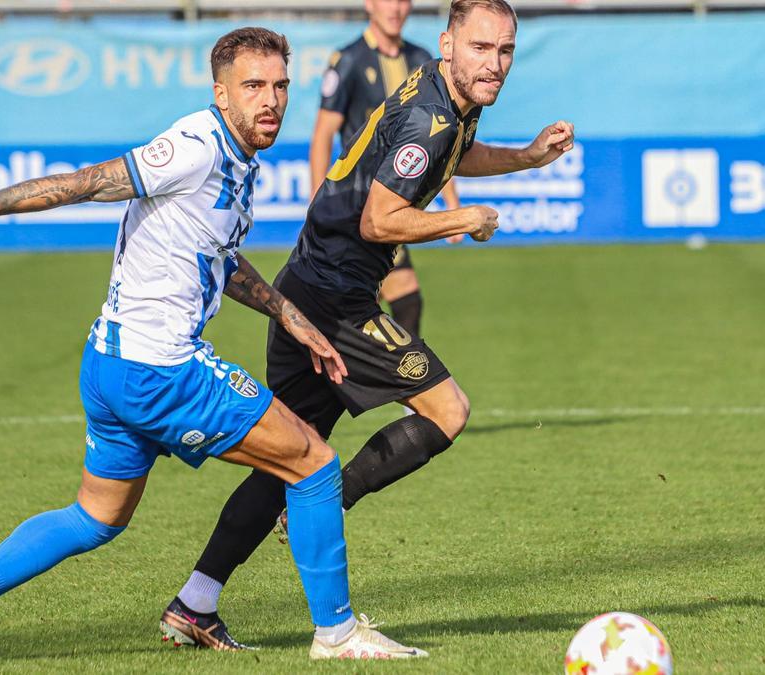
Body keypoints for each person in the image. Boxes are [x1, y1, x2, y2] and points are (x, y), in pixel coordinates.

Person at [0, 27, 425, 664]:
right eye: (253, 87)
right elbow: (93, 181)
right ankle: (337, 634)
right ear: (221, 94)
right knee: (313, 462)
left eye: (280, 86)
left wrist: (289, 313)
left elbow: (220, 255)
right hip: (159, 367)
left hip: (108, 365)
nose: (270, 100)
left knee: (96, 518)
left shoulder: (235, 157)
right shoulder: (195, 143)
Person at [165, 0, 575, 649]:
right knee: (448, 409)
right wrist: (460, 221)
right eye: (480, 48)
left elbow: (453, 155)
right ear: (447, 44)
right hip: (336, 303)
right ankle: (335, 506)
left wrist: (526, 158)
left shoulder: (446, 100)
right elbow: (379, 220)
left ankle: (195, 602)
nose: (493, 63)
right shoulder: (429, 113)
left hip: (308, 284)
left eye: (504, 51)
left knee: (285, 458)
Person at [309, 0, 463, 342]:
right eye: (386, 0)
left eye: (403, 0)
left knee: (387, 302)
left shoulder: (422, 59)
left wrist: (451, 199)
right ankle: (405, 382)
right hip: (360, 200)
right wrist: (316, 201)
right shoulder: (348, 60)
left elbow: (441, 138)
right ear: (369, 5)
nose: (395, 8)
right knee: (397, 297)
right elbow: (322, 135)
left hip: (398, 198)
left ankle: (390, 383)